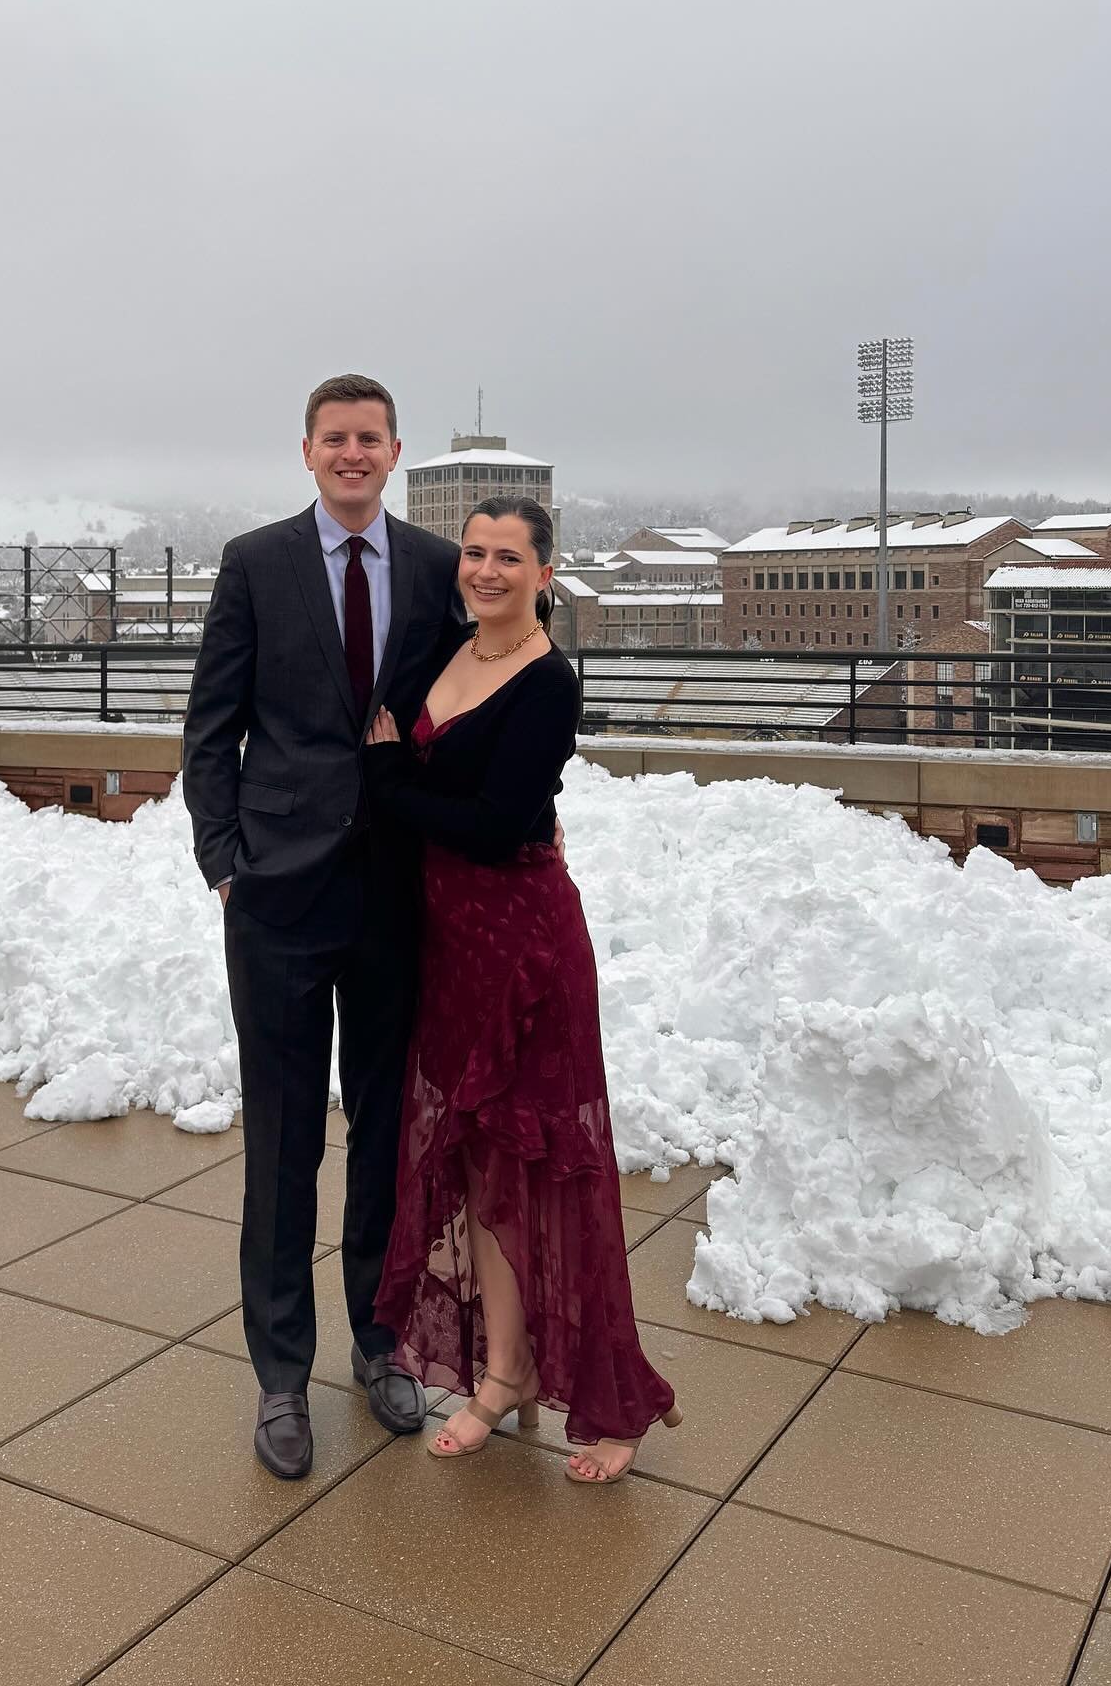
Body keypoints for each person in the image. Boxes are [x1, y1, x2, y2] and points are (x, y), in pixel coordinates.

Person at [181, 374, 466, 1480]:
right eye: (334, 440)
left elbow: (470, 715)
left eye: (369, 440)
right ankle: (282, 1377)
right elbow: (211, 725)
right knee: (285, 1143)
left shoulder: (441, 572)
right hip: (280, 901)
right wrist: (223, 864)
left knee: (390, 1141)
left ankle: (382, 1344)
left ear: (397, 453)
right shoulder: (257, 564)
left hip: (397, 898)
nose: (352, 456)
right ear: (307, 452)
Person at [363, 495, 681, 1483]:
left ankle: (608, 1398)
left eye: (509, 556)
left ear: (546, 572)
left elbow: (499, 822)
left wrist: (384, 779)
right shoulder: (444, 654)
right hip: (450, 944)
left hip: (527, 947)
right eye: (474, 552)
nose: (486, 570)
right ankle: (501, 1375)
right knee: (479, 1167)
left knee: (554, 1172)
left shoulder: (549, 685)